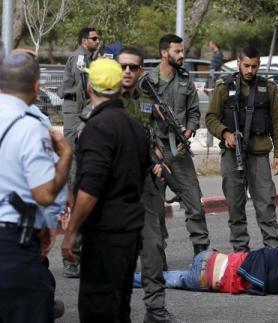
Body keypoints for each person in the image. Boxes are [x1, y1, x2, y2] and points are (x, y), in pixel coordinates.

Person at [61, 59, 152, 322]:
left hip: (105, 235)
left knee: (98, 310)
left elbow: (90, 188)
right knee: (119, 309)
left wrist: (71, 232)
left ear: (90, 87)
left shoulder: (97, 128)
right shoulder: (135, 126)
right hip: (129, 231)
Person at [0, 52, 72, 323]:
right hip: (11, 245)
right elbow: (44, 194)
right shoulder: (31, 127)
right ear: (36, 87)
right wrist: (65, 156)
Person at [205, 46, 278, 252]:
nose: (250, 70)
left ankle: (273, 250)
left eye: (254, 66)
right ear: (238, 62)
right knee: (235, 205)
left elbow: (277, 122)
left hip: (259, 153)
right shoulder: (224, 87)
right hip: (232, 155)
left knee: (266, 203)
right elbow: (211, 117)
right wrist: (225, 133)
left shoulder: (267, 88)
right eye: (246, 65)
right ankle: (241, 251)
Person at [117, 46, 176, 322]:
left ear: (141, 71)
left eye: (133, 67)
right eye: (123, 66)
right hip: (115, 186)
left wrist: (157, 155)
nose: (127, 71)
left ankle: (155, 308)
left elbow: (150, 134)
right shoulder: (104, 98)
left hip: (145, 183)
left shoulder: (145, 99)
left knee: (152, 247)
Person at [144, 34, 210, 256]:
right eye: (178, 51)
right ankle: (157, 257)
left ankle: (201, 253)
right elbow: (139, 114)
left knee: (195, 204)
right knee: (155, 209)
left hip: (179, 151)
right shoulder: (148, 81)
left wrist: (189, 130)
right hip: (156, 151)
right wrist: (152, 112)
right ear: (164, 53)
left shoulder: (185, 79)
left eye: (182, 51)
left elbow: (194, 112)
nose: (182, 55)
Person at [60, 26, 100, 278]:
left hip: (88, 128)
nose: (98, 41)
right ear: (84, 40)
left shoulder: (91, 59)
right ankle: (71, 258)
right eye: (94, 38)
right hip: (77, 131)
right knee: (79, 195)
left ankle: (86, 255)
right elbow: (79, 97)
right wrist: (77, 130)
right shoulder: (80, 59)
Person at [135, 247, 278, 296]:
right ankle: (124, 279)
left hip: (210, 257)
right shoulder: (276, 288)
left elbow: (259, 254)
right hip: (204, 281)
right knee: (165, 279)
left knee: (174, 274)